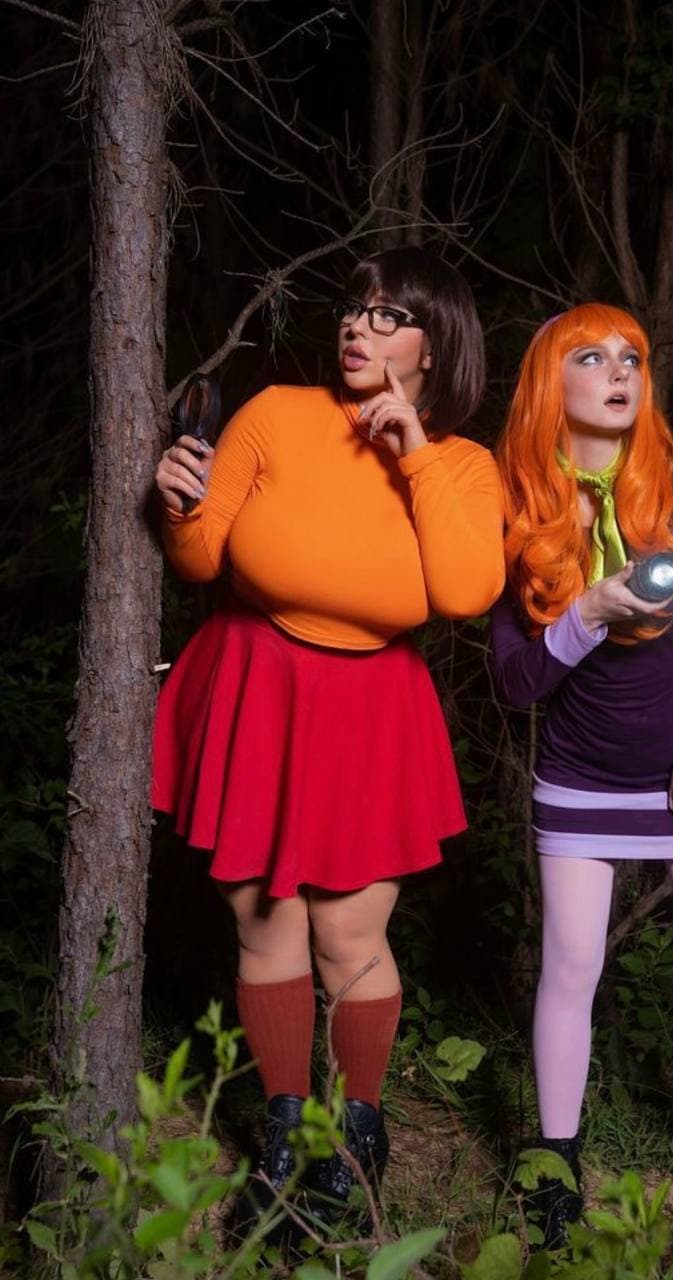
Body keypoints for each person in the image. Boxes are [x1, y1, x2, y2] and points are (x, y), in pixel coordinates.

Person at [152, 248, 504, 1237]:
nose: (358, 325)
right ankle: (283, 1127)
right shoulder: (276, 413)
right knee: (264, 924)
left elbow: (465, 591)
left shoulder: (463, 465)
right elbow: (201, 558)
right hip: (254, 683)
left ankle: (355, 1131)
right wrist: (178, 500)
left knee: (348, 935)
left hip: (369, 708)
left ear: (435, 345)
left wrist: (414, 453)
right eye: (355, 308)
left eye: (389, 315)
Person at [491, 304, 673, 1249]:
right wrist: (584, 614)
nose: (619, 371)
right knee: (570, 967)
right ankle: (554, 1174)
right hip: (578, 782)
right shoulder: (520, 511)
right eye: (591, 356)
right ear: (550, 381)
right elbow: (513, 683)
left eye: (632, 357)